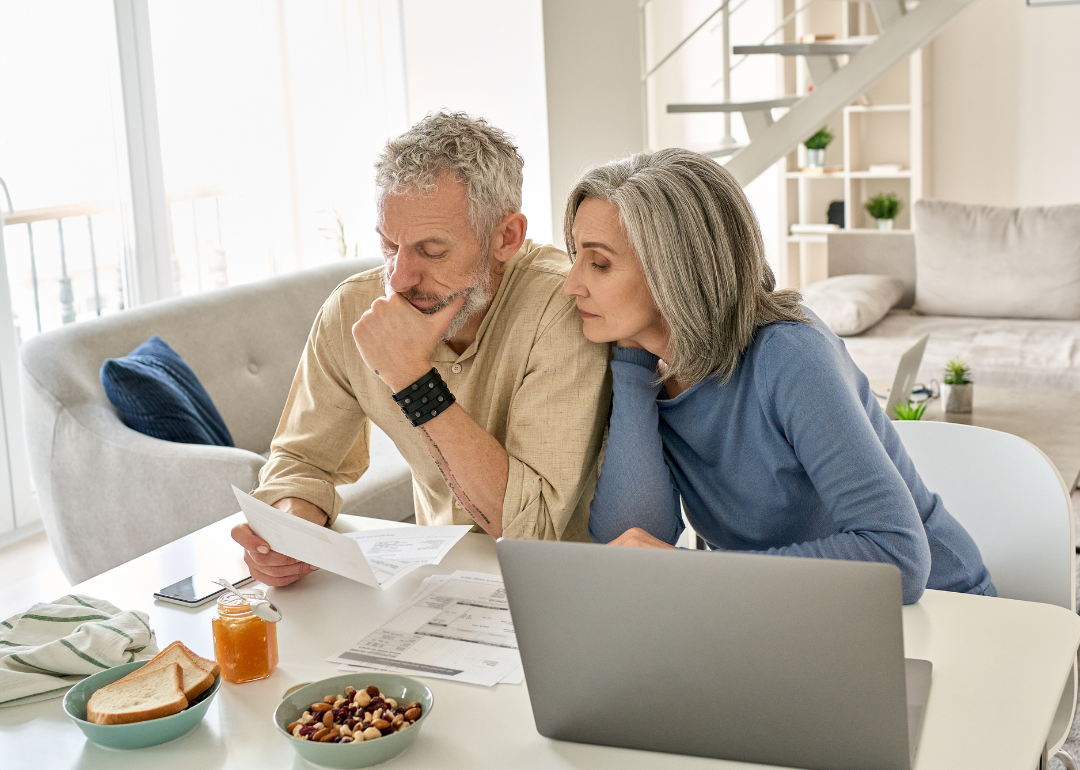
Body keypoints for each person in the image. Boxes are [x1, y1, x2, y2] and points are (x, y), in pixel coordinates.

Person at [562, 148, 994, 604]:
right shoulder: (649, 365)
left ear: (674, 270)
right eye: (575, 255)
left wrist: (696, 570)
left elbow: (897, 557)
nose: (571, 283)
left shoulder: (789, 354)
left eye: (599, 263)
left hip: (938, 611)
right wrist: (632, 368)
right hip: (790, 613)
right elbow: (629, 543)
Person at [232, 111, 611, 586]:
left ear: (506, 237)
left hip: (564, 588)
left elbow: (528, 530)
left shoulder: (564, 308)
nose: (399, 278)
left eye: (432, 251)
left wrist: (413, 381)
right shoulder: (354, 307)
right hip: (435, 586)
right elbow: (301, 461)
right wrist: (292, 526)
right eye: (390, 245)